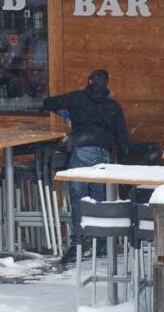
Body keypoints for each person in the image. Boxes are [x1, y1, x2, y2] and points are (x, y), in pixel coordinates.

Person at [42, 69, 128, 265]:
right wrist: (122, 164)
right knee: (98, 198)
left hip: (81, 149)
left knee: (78, 198)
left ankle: (79, 244)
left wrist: (65, 111)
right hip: (103, 153)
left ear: (89, 81)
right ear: (106, 84)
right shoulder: (113, 106)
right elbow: (122, 137)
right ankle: (102, 242)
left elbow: (48, 103)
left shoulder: (77, 98)